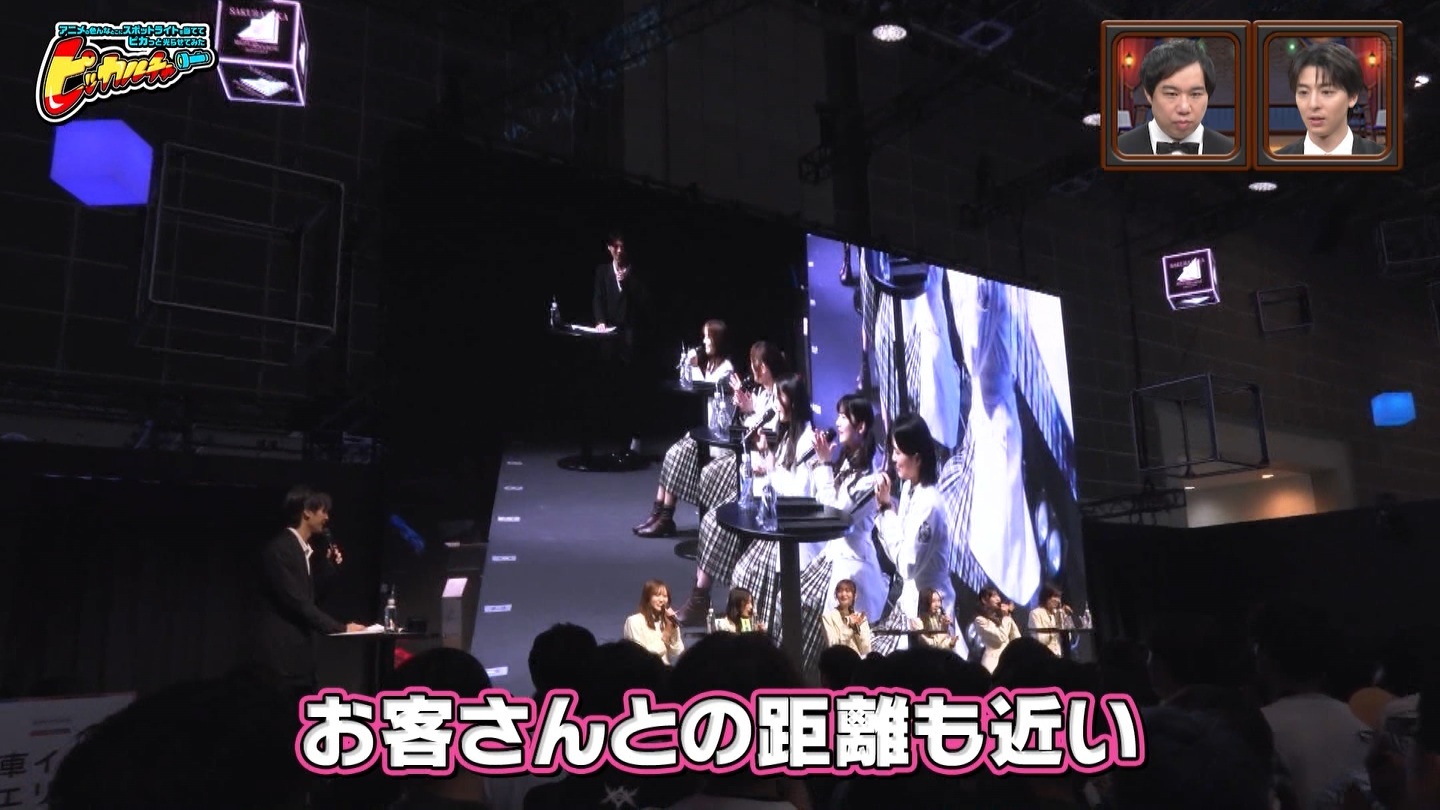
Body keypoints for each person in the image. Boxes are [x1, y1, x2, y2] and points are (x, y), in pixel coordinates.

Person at [251, 485, 365, 694]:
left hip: (300, 659)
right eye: (323, 511)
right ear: (307, 512)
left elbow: (312, 597)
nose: (327, 518)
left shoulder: (303, 551)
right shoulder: (280, 549)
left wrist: (330, 567)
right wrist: (340, 628)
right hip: (281, 661)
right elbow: (298, 602)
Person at [632, 321, 738, 538]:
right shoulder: (711, 365)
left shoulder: (727, 369)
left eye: (708, 337)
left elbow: (706, 389)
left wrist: (695, 367)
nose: (704, 341)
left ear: (718, 340)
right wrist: (691, 366)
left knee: (678, 455)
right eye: (704, 336)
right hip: (707, 432)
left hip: (719, 438)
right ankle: (658, 512)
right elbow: (694, 384)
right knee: (672, 453)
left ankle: (666, 517)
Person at [874, 413, 954, 649]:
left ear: (917, 458)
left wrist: (886, 510)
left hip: (928, 610)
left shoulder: (930, 504)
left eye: (897, 452)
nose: (892, 458)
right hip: (909, 602)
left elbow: (907, 565)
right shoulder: (910, 488)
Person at [1116, 38, 1236, 156]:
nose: (1184, 108)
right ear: (1149, 94)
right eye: (1171, 94)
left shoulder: (1230, 152)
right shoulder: (1118, 151)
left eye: (1195, 94)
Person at [591, 231, 652, 458]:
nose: (618, 250)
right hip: (609, 337)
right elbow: (598, 298)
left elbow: (646, 302)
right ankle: (614, 438)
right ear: (609, 248)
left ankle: (634, 439)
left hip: (631, 339)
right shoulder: (602, 271)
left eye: (622, 246)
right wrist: (600, 321)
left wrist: (628, 283)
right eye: (614, 246)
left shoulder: (636, 273)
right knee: (612, 386)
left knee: (632, 389)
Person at [1275, 41, 1385, 156]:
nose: (1313, 104)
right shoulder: (1277, 161)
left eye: (1326, 92)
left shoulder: (1382, 158)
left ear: (1352, 96)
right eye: (1303, 92)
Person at [622, 579, 685, 665]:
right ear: (648, 597)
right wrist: (666, 634)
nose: (661, 600)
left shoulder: (667, 622)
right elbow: (641, 657)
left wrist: (673, 627)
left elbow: (677, 652)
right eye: (657, 595)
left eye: (665, 596)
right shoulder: (634, 621)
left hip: (665, 670)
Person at [820, 579, 874, 656]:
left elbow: (866, 649)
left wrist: (857, 629)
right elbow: (833, 646)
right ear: (836, 595)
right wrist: (848, 628)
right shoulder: (827, 617)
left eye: (847, 591)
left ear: (855, 595)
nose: (843, 594)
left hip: (856, 661)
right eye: (840, 591)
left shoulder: (860, 617)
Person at [974, 585, 1021, 672]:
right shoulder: (980, 620)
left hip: (1007, 664)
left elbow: (1017, 639)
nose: (998, 599)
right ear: (984, 600)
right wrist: (1006, 617)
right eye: (994, 596)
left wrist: (1009, 615)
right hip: (992, 664)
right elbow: (1000, 637)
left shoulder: (1003, 619)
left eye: (998, 596)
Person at [1028, 583, 1076, 657]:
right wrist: (1056, 626)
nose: (1058, 600)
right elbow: (1040, 641)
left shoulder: (1058, 613)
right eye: (1055, 597)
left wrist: (1067, 617)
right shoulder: (1035, 614)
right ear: (1046, 597)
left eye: (1059, 597)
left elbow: (1068, 638)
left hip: (1059, 655)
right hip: (1044, 656)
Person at [910, 586, 959, 652]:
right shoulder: (916, 622)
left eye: (939, 601)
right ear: (925, 602)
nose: (938, 605)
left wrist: (950, 643)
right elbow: (930, 645)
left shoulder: (937, 617)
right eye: (933, 601)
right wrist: (943, 630)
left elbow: (939, 644)